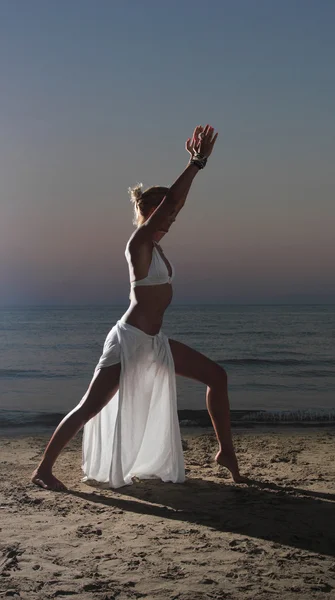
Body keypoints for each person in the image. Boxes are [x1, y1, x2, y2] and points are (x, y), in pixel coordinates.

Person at [31, 124, 246, 491]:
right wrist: (196, 163)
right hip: (129, 342)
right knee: (90, 406)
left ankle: (225, 450)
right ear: (150, 210)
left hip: (154, 343)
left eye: (173, 216)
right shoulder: (140, 241)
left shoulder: (157, 247)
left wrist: (193, 171)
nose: (173, 219)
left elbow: (176, 204)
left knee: (217, 377)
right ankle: (44, 469)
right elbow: (173, 202)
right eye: (166, 213)